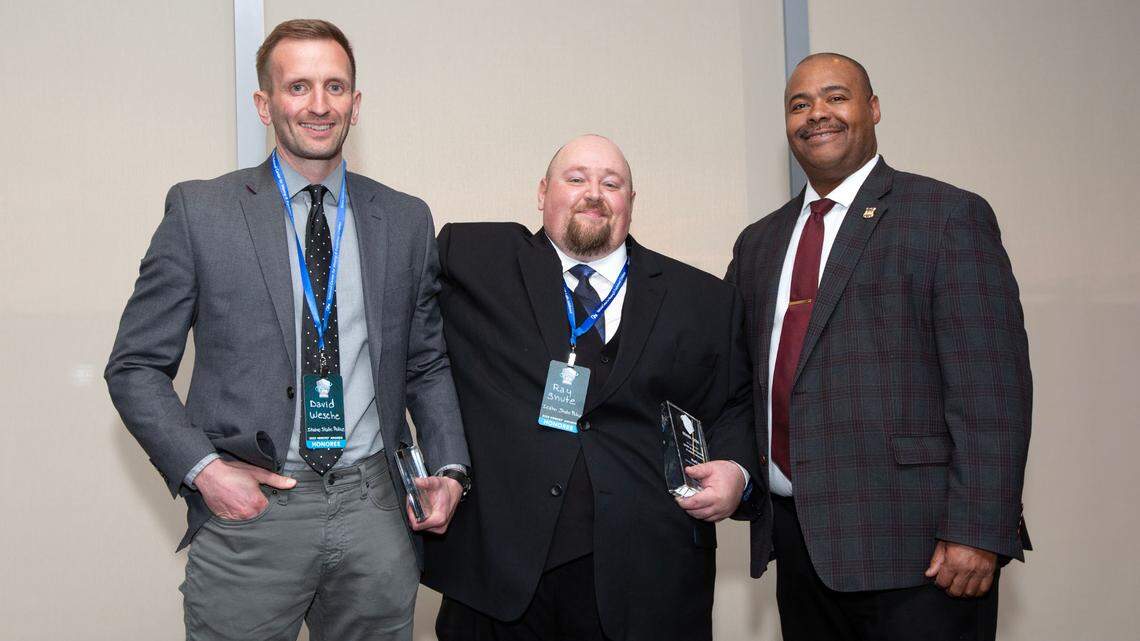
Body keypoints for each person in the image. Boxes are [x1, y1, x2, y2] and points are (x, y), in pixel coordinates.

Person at [105, 19, 470, 641]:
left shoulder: (405, 220)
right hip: (254, 511)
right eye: (298, 86)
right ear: (264, 103)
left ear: (356, 104)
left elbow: (425, 363)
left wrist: (451, 468)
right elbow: (135, 366)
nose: (319, 105)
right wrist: (203, 471)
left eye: (335, 87)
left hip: (375, 510)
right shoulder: (201, 211)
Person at [727, 53, 1032, 640]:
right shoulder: (760, 242)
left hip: (922, 554)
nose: (816, 114)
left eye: (836, 97)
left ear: (873, 108)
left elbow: (992, 387)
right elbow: (734, 373)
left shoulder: (946, 216)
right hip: (800, 547)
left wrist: (978, 529)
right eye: (798, 105)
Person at [422, 134, 762, 641]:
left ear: (630, 201)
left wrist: (737, 472)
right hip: (500, 580)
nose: (594, 193)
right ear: (542, 192)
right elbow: (404, 349)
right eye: (576, 178)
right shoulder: (472, 258)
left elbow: (736, 403)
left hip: (648, 580)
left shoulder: (704, 300)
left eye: (612, 183)